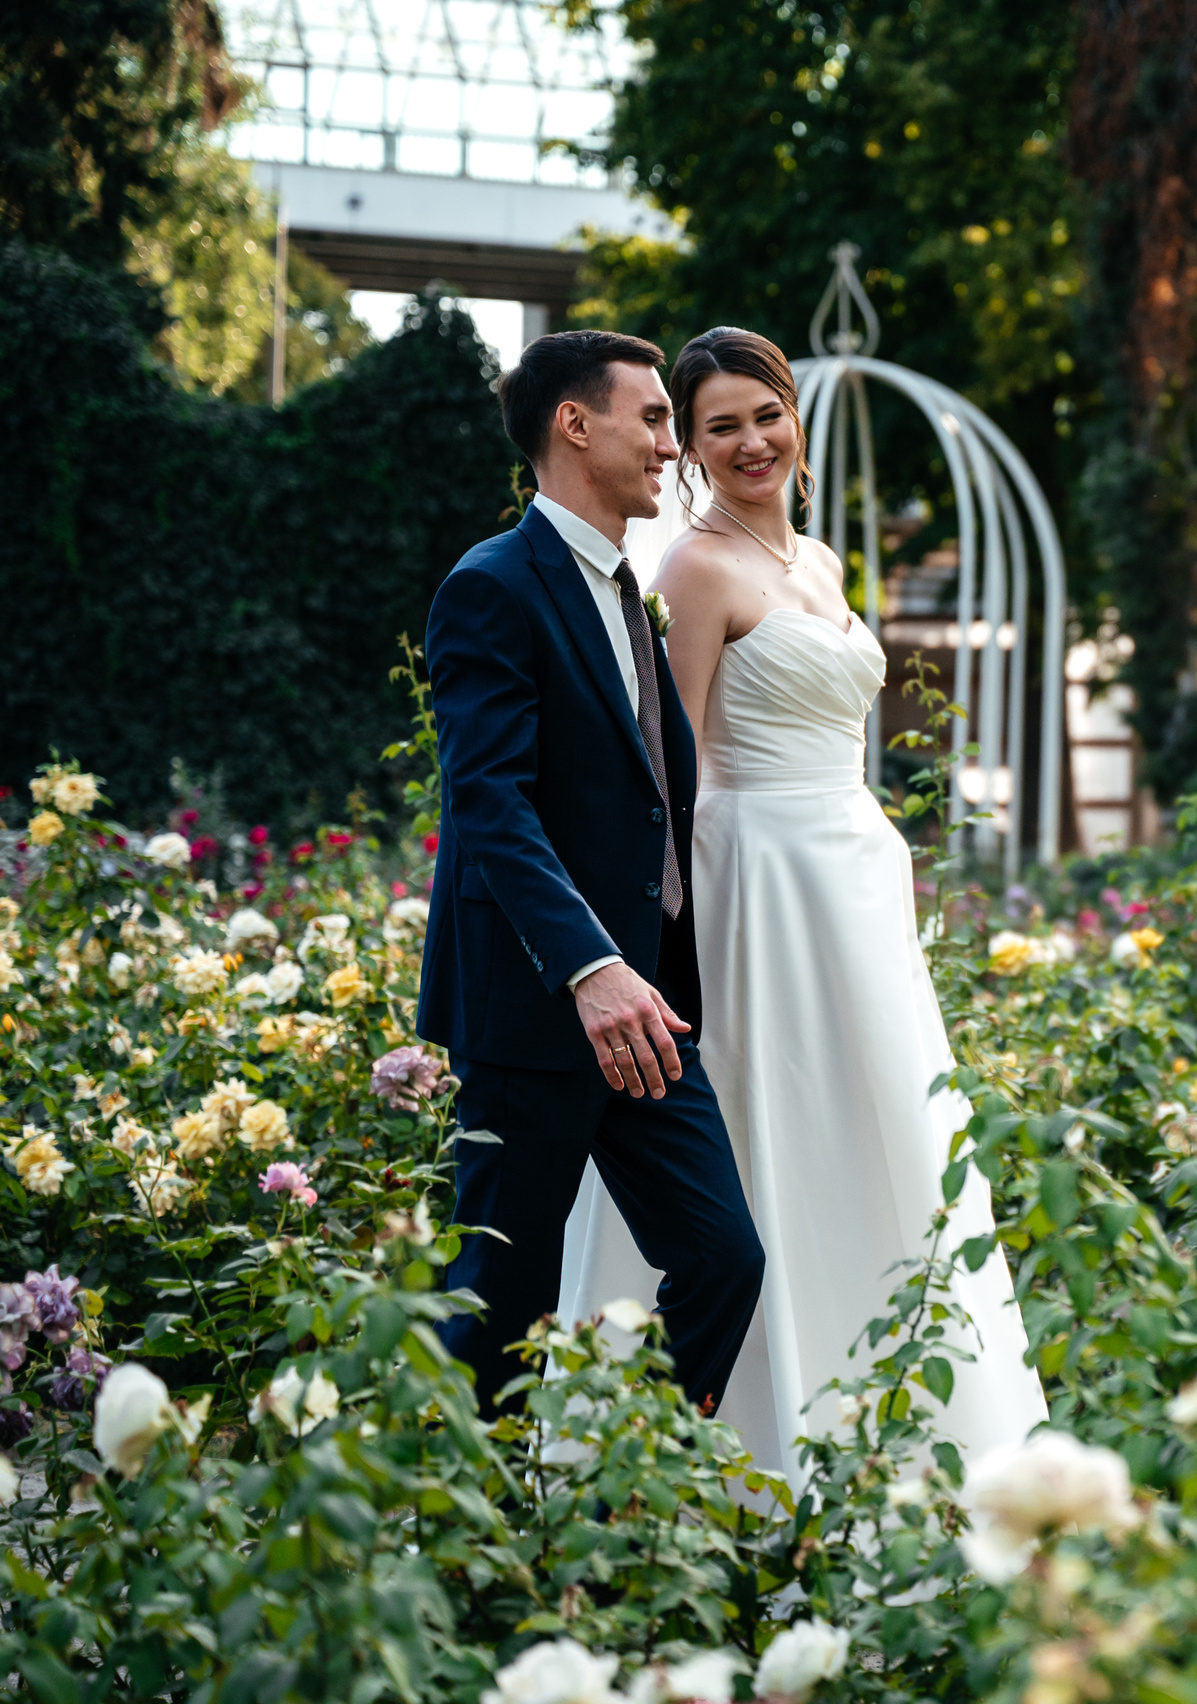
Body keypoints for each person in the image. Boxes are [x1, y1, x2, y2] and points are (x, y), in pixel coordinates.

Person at [557, 326, 1048, 1484]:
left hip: (852, 881)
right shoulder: (694, 571)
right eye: (718, 427)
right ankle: (744, 1437)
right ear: (689, 448)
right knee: (770, 1125)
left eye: (764, 416)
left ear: (795, 417)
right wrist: (654, 936)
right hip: (756, 889)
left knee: (880, 1130)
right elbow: (663, 770)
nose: (750, 443)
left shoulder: (820, 563)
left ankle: (903, 1420)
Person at [419, 329, 765, 1418]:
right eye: (654, 417)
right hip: (536, 1012)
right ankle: (465, 1516)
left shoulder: (627, 590)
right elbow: (490, 804)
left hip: (646, 1013)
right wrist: (588, 967)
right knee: (499, 1307)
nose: (672, 444)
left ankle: (627, 1489)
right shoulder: (491, 586)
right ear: (575, 424)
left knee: (723, 1259)